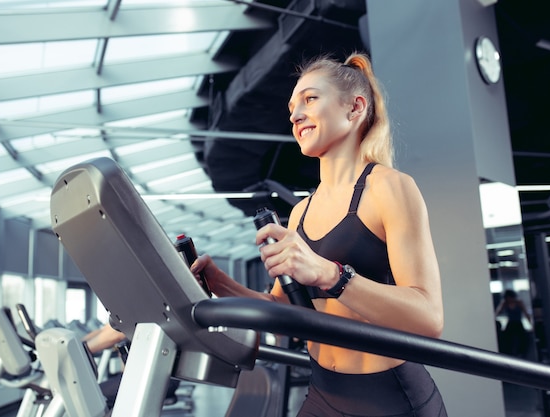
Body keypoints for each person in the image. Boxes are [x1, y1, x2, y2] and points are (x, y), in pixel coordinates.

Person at [191, 52, 447, 417]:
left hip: (390, 398)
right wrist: (220, 284)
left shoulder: (389, 188)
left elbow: (429, 318)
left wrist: (330, 274)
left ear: (355, 107)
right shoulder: (300, 212)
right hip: (324, 392)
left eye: (310, 99)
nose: (295, 115)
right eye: (293, 107)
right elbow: (282, 308)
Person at [495, 289, 532, 357]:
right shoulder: (505, 303)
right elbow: (497, 312)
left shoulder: (519, 302)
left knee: (523, 338)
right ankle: (508, 353)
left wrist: (531, 324)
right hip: (510, 323)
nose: (509, 299)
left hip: (518, 323)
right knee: (506, 338)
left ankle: (521, 353)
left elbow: (526, 313)